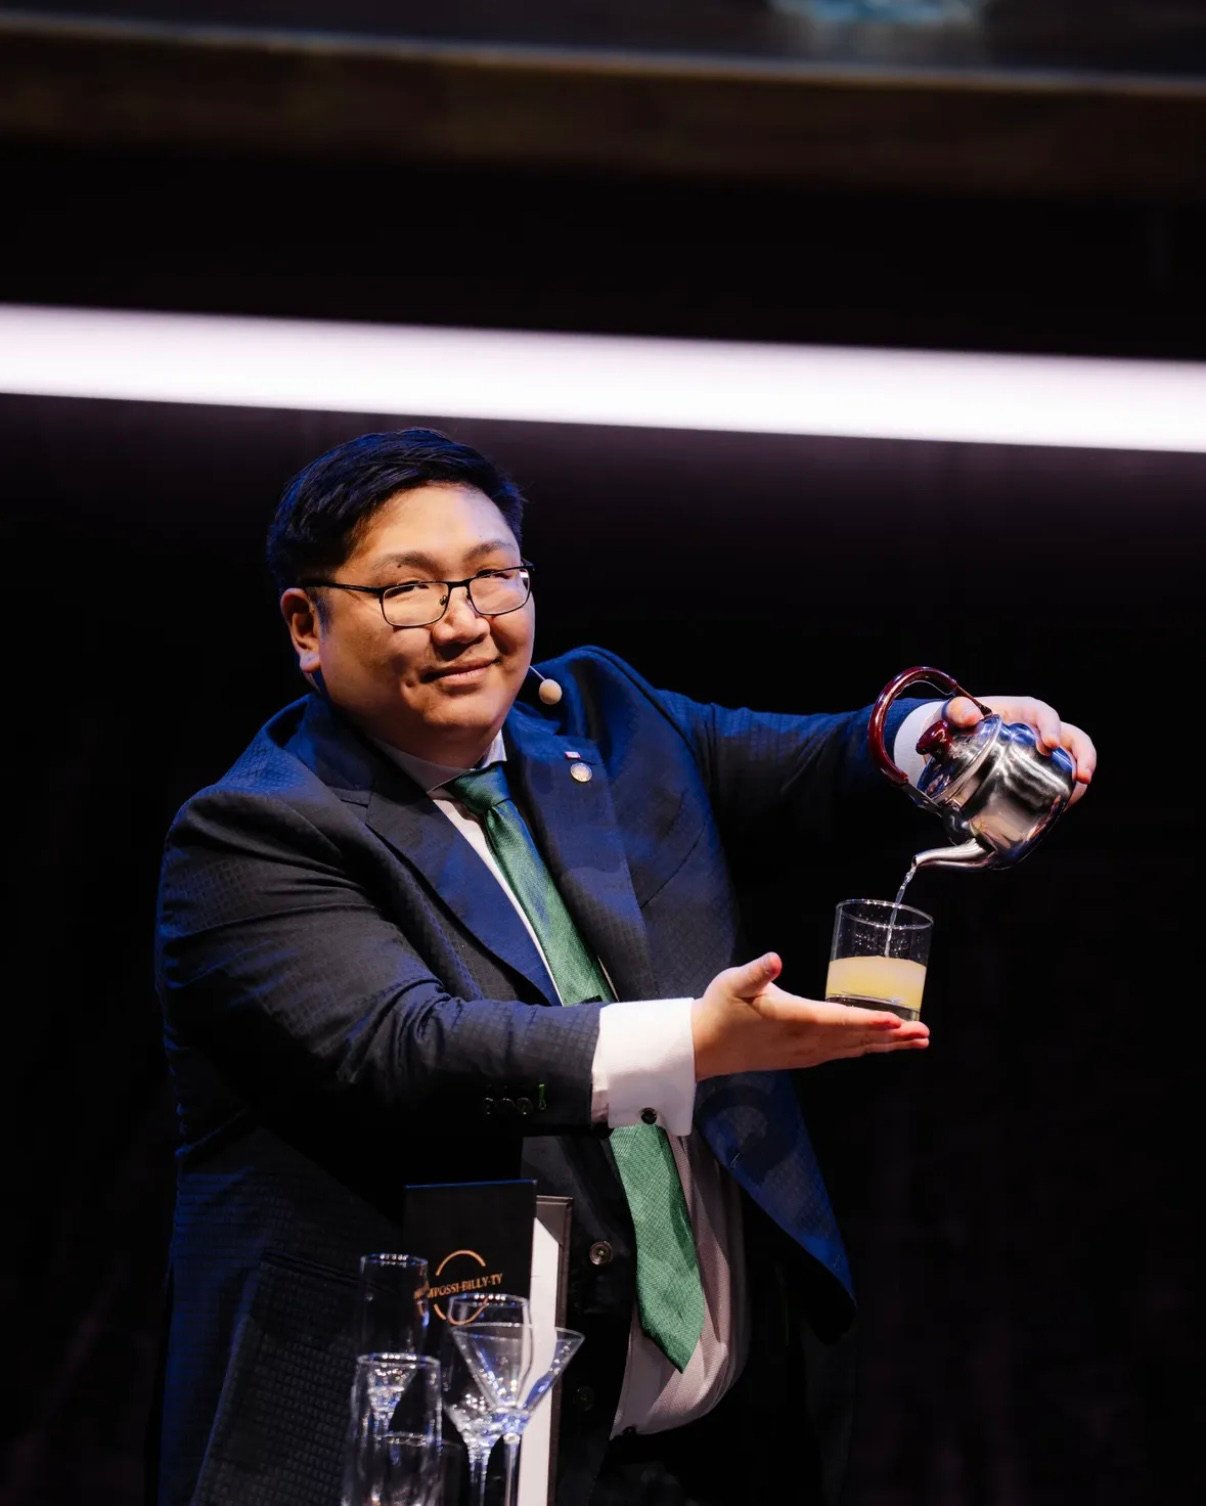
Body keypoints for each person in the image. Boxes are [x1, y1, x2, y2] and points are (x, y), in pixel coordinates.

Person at [152, 427, 1095, 1506]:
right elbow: (407, 1050)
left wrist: (941, 737)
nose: (465, 623)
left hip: (708, 1451)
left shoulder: (600, 717)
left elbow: (809, 763)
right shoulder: (253, 833)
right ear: (306, 625)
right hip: (424, 1453)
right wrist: (697, 1042)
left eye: (492, 579)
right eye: (409, 592)